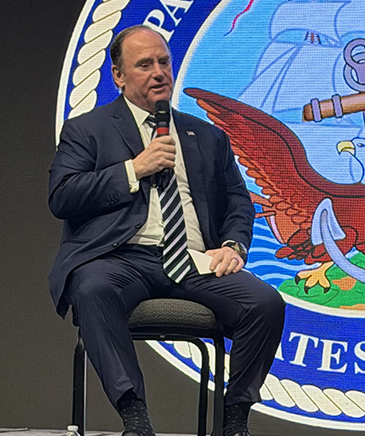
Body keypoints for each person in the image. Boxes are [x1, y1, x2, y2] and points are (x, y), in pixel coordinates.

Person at [48, 25, 285, 436]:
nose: (159, 72)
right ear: (118, 76)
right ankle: (134, 415)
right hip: (121, 258)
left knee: (265, 303)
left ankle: (235, 418)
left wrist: (233, 245)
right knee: (90, 288)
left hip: (194, 261)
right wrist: (133, 169)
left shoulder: (207, 135)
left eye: (164, 62)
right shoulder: (88, 130)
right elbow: (63, 196)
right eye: (144, 65)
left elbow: (237, 201)